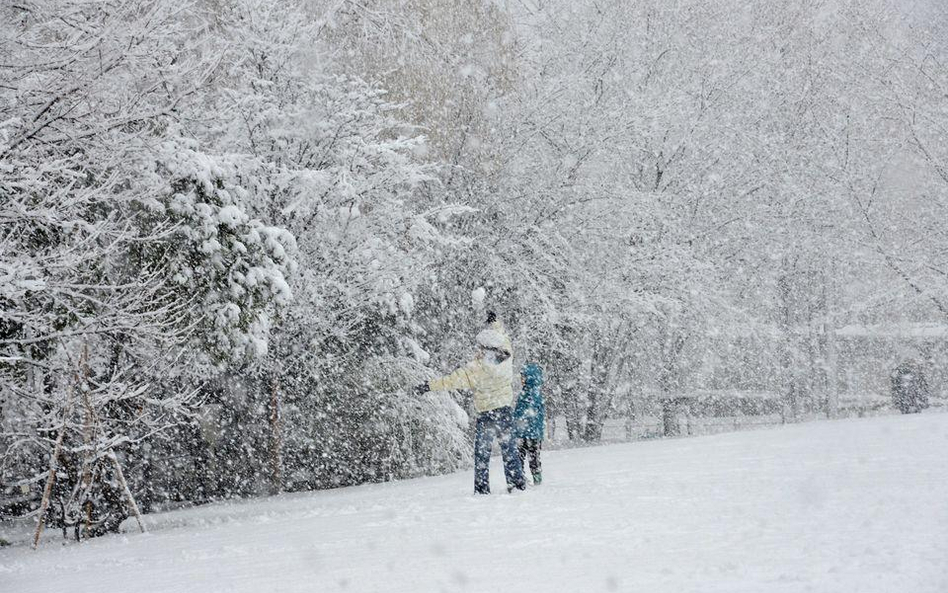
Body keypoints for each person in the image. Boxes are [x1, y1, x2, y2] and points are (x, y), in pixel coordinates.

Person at [415, 315, 525, 494]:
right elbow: (502, 335)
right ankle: (516, 484)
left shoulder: (476, 369)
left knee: (482, 454)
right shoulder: (507, 355)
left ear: (485, 348)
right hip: (504, 412)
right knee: (509, 450)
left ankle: (482, 489)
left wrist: (429, 386)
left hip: (486, 415)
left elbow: (450, 381)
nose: (478, 349)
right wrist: (494, 324)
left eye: (480, 347)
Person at [513, 362, 545, 485]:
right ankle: (524, 478)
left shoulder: (531, 393)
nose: (521, 379)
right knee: (529, 458)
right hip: (527, 433)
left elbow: (527, 413)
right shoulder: (528, 392)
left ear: (530, 377)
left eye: (523, 377)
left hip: (529, 433)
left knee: (530, 458)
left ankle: (533, 479)